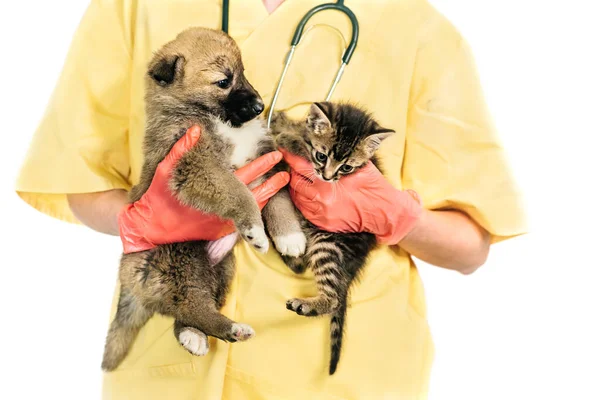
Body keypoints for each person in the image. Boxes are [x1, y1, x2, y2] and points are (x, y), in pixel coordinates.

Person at [15, 0, 526, 398]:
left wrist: (390, 211)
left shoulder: (416, 28)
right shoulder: (132, 9)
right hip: (172, 368)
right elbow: (78, 179)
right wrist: (148, 218)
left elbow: (469, 246)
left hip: (346, 375)